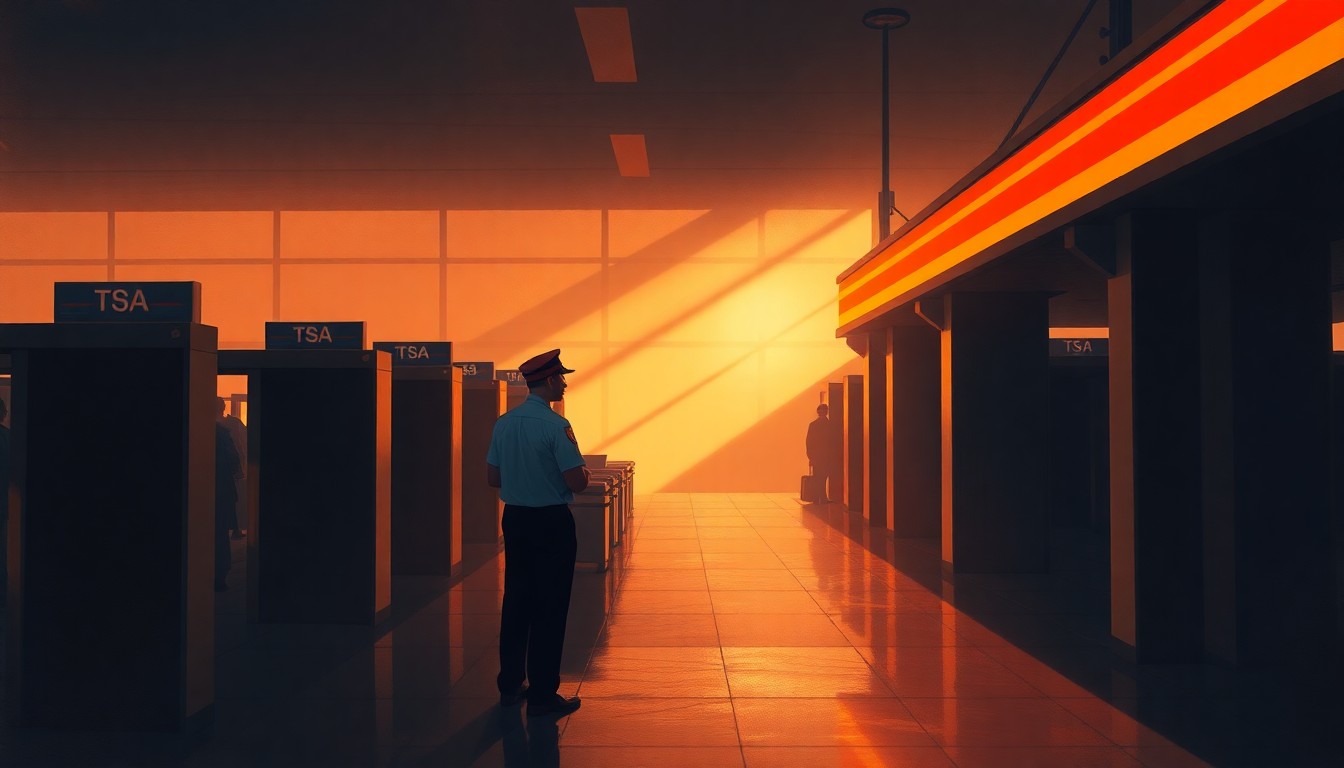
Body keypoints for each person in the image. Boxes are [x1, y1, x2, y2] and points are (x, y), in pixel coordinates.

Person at [486, 348, 589, 719]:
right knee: (549, 605)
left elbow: (493, 478)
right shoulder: (555, 425)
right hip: (550, 523)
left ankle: (511, 686)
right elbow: (576, 482)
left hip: (514, 520)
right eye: (561, 377)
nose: (564, 383)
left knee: (517, 601)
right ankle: (543, 695)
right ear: (547, 381)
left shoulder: (504, 423)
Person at [214, 420, 242, 592]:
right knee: (220, 536)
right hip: (223, 493)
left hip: (214, 493)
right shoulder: (223, 434)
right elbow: (234, 461)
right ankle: (220, 576)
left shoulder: (201, 432)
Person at [216, 397, 248, 538]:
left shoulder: (214, 427)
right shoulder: (232, 424)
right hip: (229, 470)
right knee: (230, 499)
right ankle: (234, 529)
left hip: (222, 470)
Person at [806, 402, 839, 503]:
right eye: (822, 410)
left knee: (820, 476)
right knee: (822, 476)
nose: (823, 412)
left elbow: (809, 441)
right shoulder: (829, 425)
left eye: (824, 410)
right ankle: (821, 497)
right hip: (823, 455)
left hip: (820, 455)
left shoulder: (814, 425)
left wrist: (810, 456)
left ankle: (818, 498)